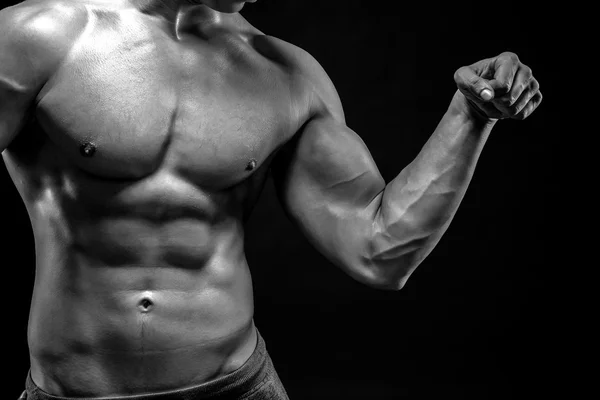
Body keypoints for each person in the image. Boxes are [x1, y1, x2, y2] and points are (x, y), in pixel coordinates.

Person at [1, 0, 542, 399]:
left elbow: (380, 250)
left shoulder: (287, 77)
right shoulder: (37, 37)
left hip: (237, 388)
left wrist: (470, 116)